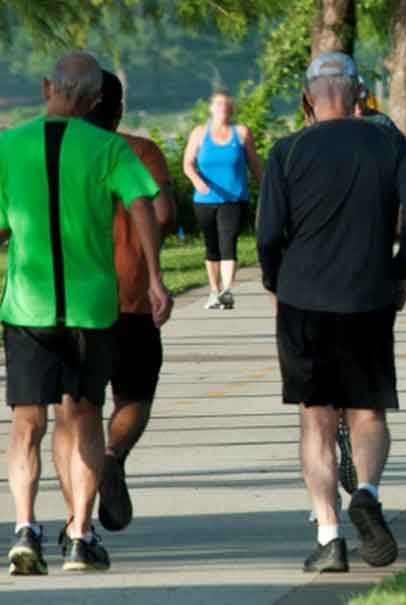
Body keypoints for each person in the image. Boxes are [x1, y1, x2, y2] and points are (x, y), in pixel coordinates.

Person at [2, 51, 172, 575]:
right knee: (83, 419)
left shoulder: (8, 145)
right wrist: (156, 277)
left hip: (28, 306)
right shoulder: (108, 147)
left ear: (46, 86)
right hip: (91, 308)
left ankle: (25, 528)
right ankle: (79, 533)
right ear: (96, 99)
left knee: (28, 422)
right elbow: (146, 205)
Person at [257, 52, 406, 573]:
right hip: (369, 295)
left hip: (303, 300)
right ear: (359, 93)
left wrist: (275, 281)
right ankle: (368, 492)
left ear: (308, 98)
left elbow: (267, 234)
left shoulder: (287, 151)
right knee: (367, 412)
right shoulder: (389, 143)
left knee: (317, 419)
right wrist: (399, 270)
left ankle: (329, 536)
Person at [84, 70, 176, 535]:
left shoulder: (68, 155)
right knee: (135, 395)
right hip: (132, 298)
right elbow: (163, 213)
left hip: (77, 302)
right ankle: (112, 454)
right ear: (118, 110)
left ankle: (77, 521)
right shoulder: (140, 151)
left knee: (80, 406)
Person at [183, 88, 263, 310]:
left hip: (234, 199)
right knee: (212, 246)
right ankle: (213, 290)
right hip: (205, 200)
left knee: (228, 242)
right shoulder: (200, 133)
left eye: (227, 105)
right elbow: (187, 163)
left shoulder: (242, 133)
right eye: (218, 104)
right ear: (211, 108)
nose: (223, 108)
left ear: (232, 108)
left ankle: (227, 291)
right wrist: (196, 180)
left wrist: (266, 188)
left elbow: (255, 165)